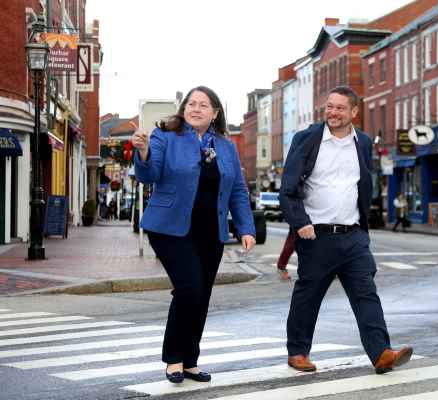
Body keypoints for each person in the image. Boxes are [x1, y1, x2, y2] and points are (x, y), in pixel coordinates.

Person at [279, 86, 413, 375]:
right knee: (309, 294)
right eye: (329, 106)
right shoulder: (306, 139)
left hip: (353, 235)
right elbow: (288, 188)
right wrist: (300, 222)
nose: (333, 113)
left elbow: (363, 184)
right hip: (316, 235)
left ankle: (381, 353)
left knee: (366, 293)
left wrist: (364, 228)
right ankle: (298, 352)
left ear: (354, 112)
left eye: (340, 108)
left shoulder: (362, 143)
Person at [132, 86, 256, 384]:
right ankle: (173, 358)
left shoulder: (225, 146)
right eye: (191, 103)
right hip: (169, 227)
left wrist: (246, 227)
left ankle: (190, 361)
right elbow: (150, 175)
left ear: (215, 113)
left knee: (201, 296)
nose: (196, 108)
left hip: (210, 230)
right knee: (189, 289)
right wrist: (144, 151)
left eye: (203, 105)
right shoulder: (165, 135)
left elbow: (237, 189)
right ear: (183, 108)